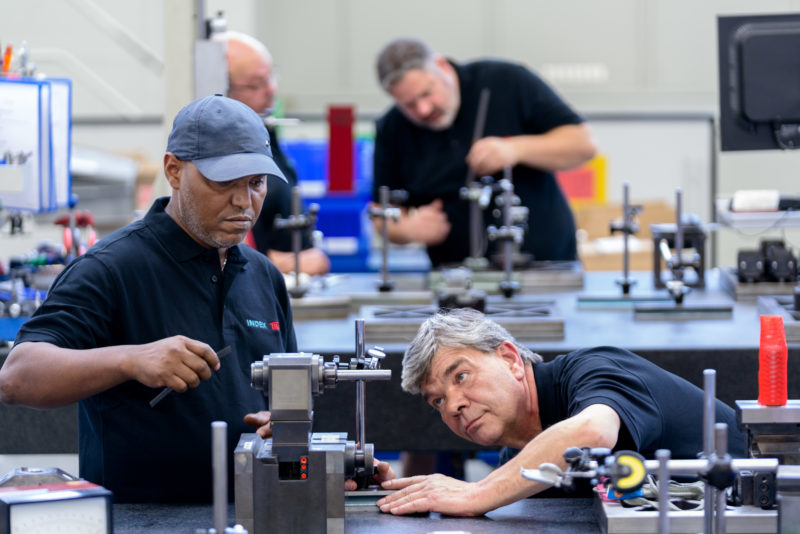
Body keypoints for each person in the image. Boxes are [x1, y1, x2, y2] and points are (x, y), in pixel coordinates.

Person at [0, 95, 297, 503]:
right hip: (141, 520)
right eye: (224, 182)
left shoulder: (264, 277)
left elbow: (290, 398)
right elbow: (18, 377)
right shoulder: (111, 269)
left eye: (256, 182)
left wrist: (283, 425)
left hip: (252, 514)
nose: (244, 201)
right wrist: (130, 359)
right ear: (174, 170)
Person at [376, 308, 746, 516]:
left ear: (510, 359)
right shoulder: (518, 458)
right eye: (437, 400)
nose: (453, 405)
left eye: (461, 375)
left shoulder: (594, 370)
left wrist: (476, 493)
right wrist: (391, 494)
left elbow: (593, 434)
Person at [372, 37, 597, 267]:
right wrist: (408, 229)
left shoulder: (506, 82)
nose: (423, 109)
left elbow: (582, 144)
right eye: (409, 105)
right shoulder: (392, 129)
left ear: (442, 66)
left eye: (427, 93)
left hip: (548, 268)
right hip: (455, 281)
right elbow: (381, 213)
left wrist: (515, 149)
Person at [218, 30, 330, 276]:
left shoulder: (266, 132)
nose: (270, 90)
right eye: (256, 84)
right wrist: (277, 263)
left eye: (271, 77)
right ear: (221, 89)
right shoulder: (217, 157)